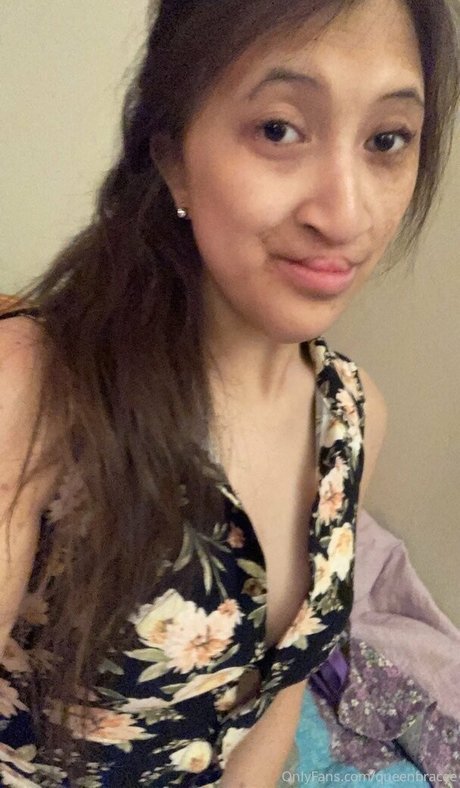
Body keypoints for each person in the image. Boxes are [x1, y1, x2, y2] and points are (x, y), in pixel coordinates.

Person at [0, 0, 458, 785]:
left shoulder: (355, 419)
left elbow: (273, 711)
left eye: (388, 140)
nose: (346, 214)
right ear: (173, 155)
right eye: (280, 129)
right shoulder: (38, 385)